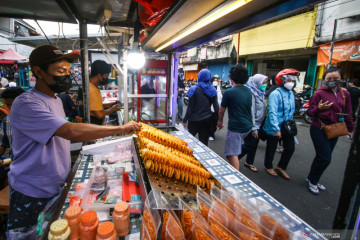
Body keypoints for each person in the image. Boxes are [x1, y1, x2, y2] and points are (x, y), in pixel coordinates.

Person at [7, 45, 141, 237]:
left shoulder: (55, 100)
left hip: (56, 187)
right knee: (30, 235)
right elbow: (69, 131)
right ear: (38, 72)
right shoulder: (27, 103)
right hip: (32, 191)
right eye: (61, 71)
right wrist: (120, 128)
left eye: (68, 72)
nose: (66, 77)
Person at [306, 68, 353, 195]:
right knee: (325, 158)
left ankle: (311, 177)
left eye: (335, 79)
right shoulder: (318, 94)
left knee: (322, 157)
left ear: (341, 79)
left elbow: (348, 112)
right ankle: (313, 181)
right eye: (329, 79)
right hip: (319, 128)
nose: (332, 81)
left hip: (336, 128)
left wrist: (350, 128)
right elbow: (309, 112)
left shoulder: (345, 94)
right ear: (324, 80)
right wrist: (319, 108)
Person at [263, 69, 299, 179]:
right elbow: (272, 112)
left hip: (286, 126)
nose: (291, 82)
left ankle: (281, 167)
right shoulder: (275, 94)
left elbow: (290, 111)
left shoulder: (291, 93)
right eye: (289, 79)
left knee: (290, 148)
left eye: (293, 80)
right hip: (275, 125)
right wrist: (276, 128)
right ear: (281, 80)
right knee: (272, 147)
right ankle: (268, 166)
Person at [217, 64, 252, 171]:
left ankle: (235, 178)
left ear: (231, 78)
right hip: (248, 126)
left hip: (236, 127)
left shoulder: (229, 92)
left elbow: (221, 110)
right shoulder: (249, 91)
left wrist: (219, 121)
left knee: (232, 153)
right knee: (236, 149)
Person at [238, 74, 268, 172]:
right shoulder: (251, 93)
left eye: (265, 82)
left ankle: (249, 162)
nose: (265, 84)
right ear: (257, 82)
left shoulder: (260, 92)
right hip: (251, 124)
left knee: (254, 144)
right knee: (249, 144)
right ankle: (234, 156)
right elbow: (251, 112)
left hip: (259, 123)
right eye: (263, 83)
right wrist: (254, 128)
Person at [183, 69, 218, 146]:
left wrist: (184, 120)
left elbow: (190, 107)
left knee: (188, 142)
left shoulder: (194, 89)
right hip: (206, 120)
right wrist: (217, 121)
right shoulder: (213, 89)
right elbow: (216, 107)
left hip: (193, 120)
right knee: (204, 143)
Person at [0, 87, 25, 190]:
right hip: (16, 168)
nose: (10, 108)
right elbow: (3, 144)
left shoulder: (38, 119)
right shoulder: (7, 121)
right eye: (7, 105)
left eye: (12, 104)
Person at [89, 60, 120, 125]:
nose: (107, 78)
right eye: (106, 76)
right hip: (95, 127)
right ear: (99, 75)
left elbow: (93, 106)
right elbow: (99, 115)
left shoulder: (90, 86)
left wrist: (108, 105)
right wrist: (112, 109)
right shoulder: (93, 90)